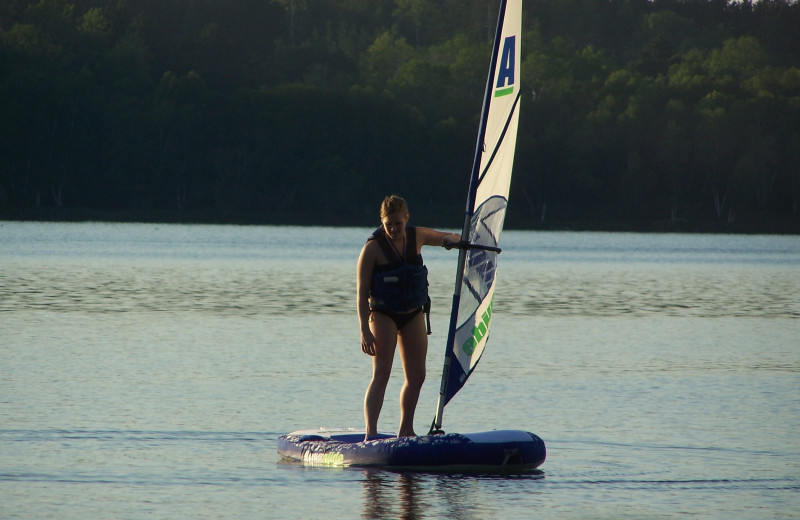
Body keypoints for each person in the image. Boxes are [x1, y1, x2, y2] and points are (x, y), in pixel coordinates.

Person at [357, 195, 460, 440]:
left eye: (397, 224)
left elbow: (453, 236)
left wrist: (449, 240)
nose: (393, 229)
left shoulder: (418, 236)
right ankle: (370, 434)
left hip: (413, 313)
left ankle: (406, 430)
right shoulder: (372, 249)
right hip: (383, 315)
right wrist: (364, 330)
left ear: (407, 218)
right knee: (382, 373)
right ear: (382, 222)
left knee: (417, 376)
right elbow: (361, 294)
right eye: (387, 224)